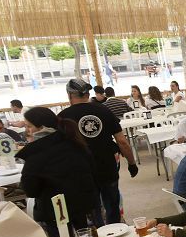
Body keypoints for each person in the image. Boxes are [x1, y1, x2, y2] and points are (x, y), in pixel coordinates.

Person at [59, 79, 138, 225]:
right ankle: (115, 235)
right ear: (88, 93)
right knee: (112, 206)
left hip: (81, 171)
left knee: (92, 210)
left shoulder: (63, 117)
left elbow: (60, 149)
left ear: (70, 95)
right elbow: (122, 141)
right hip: (106, 165)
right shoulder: (103, 110)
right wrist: (132, 163)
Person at [17, 107, 97, 236]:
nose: (27, 131)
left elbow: (30, 189)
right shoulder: (75, 141)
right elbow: (92, 170)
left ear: (41, 128)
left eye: (29, 126)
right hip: (83, 203)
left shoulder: (35, 153)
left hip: (54, 209)